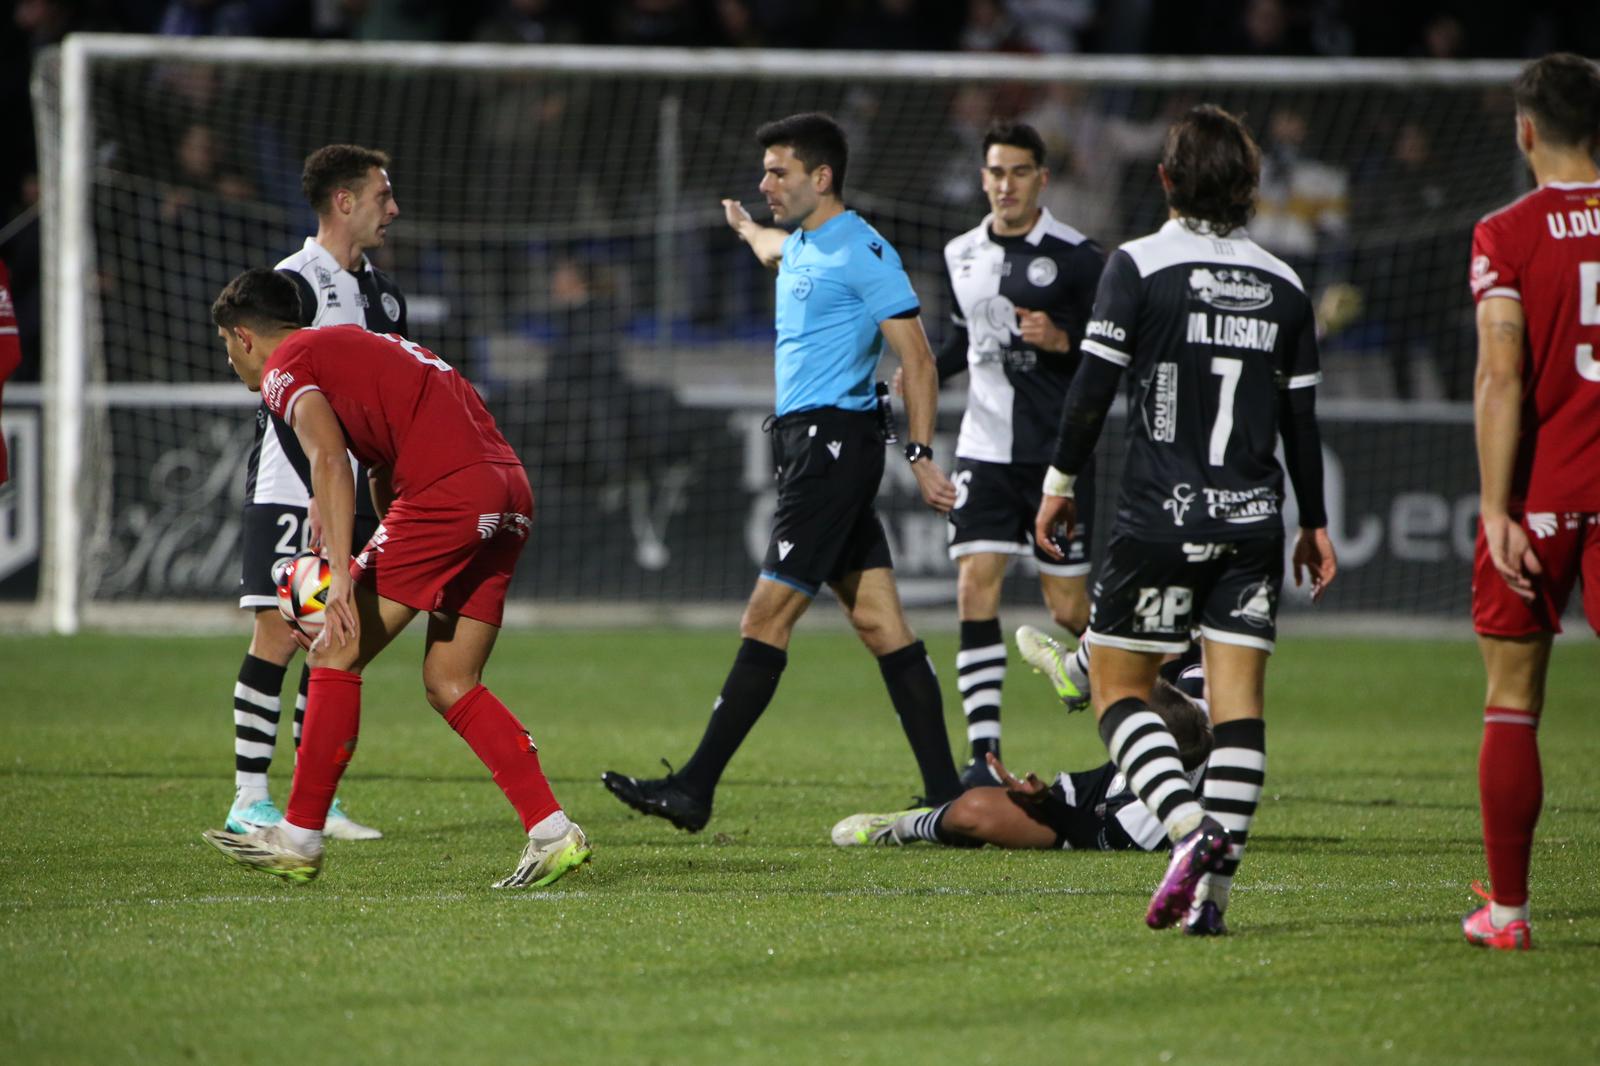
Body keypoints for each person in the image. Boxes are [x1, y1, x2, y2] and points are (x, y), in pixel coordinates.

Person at [601, 112, 964, 832]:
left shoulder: (863, 250)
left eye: (778, 172)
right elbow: (771, 247)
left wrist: (921, 458)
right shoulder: (801, 244)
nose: (764, 183)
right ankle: (950, 793)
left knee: (764, 617)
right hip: (811, 447)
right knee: (880, 623)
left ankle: (695, 788)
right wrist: (743, 226)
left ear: (821, 178)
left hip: (835, 447)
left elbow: (918, 359)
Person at [1034, 105, 1337, 935]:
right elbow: (1300, 424)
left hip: (1159, 517)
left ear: (1164, 179)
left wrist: (1058, 482)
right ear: (1251, 189)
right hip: (1251, 522)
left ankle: (1183, 827)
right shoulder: (1287, 283)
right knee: (1238, 712)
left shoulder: (1137, 265)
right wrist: (1314, 523)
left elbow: (1092, 392)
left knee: (1115, 688)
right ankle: (1214, 905)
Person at [201, 269, 590, 888]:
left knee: (334, 646)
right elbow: (378, 468)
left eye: (226, 347)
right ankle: (551, 832)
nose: (231, 362)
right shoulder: (356, 346)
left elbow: (329, 458)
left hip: (450, 492)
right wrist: (384, 547)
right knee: (450, 680)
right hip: (508, 490)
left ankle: (300, 837)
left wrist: (343, 580)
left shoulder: (286, 367)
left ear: (243, 337)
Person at [224, 145, 406, 842]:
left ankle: (313, 799)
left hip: (349, 489)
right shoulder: (292, 283)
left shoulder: (384, 294)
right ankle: (247, 798)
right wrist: (313, 486)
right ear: (344, 202)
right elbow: (271, 383)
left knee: (330, 634)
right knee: (278, 630)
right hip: (291, 484)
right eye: (383, 196)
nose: (393, 210)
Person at [1464, 53, 1600, 952]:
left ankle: (1507, 915)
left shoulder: (1506, 232)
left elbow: (1501, 374)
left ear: (1524, 132)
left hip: (1545, 495)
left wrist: (1497, 506)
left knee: (1513, 701)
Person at [924, 121, 1105, 788]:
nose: (1006, 185)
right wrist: (909, 378)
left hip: (1055, 460)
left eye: (1019, 172)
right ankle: (982, 755)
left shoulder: (1081, 256)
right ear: (983, 178)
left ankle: (1140, 700)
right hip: (982, 448)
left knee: (1068, 610)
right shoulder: (960, 253)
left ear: (1042, 179)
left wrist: (1062, 339)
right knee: (975, 585)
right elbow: (956, 344)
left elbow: (1112, 351)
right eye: (996, 173)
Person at [833, 657, 1211, 853]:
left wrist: (1045, 802)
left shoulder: (1155, 813)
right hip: (1093, 790)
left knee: (973, 808)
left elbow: (1098, 837)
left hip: (1085, 824)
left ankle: (901, 827)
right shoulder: (1196, 709)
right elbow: (1195, 664)